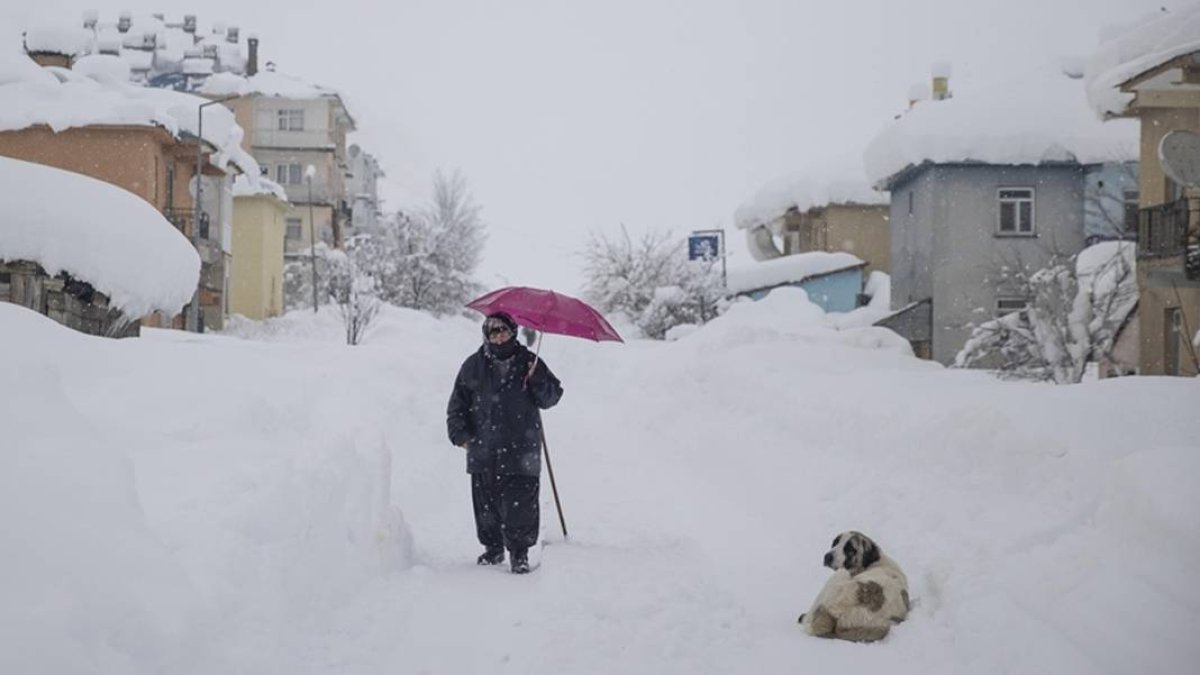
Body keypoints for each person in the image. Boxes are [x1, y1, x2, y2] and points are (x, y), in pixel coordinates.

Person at [446, 312, 563, 574]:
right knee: (486, 504)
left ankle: (519, 554)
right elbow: (457, 405)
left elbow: (552, 397)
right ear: (486, 336)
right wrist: (462, 436)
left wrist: (538, 379)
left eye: (503, 330)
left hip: (522, 447)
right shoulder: (472, 366)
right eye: (493, 331)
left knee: (520, 503)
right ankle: (493, 548)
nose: (499, 335)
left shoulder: (530, 362)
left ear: (514, 332)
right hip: (482, 448)